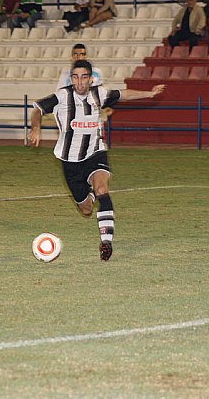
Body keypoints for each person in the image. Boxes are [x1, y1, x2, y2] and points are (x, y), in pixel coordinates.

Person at [29, 60, 166, 261]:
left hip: (95, 152)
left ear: (90, 78)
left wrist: (149, 93)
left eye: (84, 77)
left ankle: (106, 242)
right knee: (85, 209)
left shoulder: (99, 93)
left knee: (103, 189)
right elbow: (37, 109)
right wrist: (35, 127)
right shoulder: (62, 95)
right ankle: (90, 193)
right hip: (70, 161)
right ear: (71, 79)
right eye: (75, 77)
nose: (80, 81)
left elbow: (123, 94)